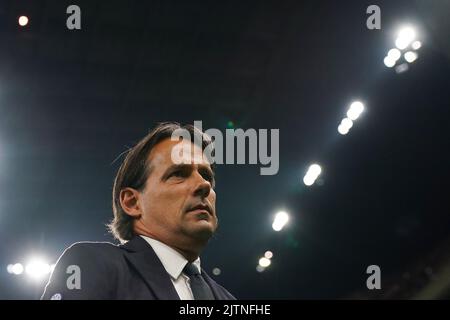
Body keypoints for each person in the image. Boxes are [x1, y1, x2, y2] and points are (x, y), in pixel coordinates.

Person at [41, 122, 235, 300]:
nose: (204, 185)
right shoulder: (90, 263)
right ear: (132, 202)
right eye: (178, 174)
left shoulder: (228, 299)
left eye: (206, 175)